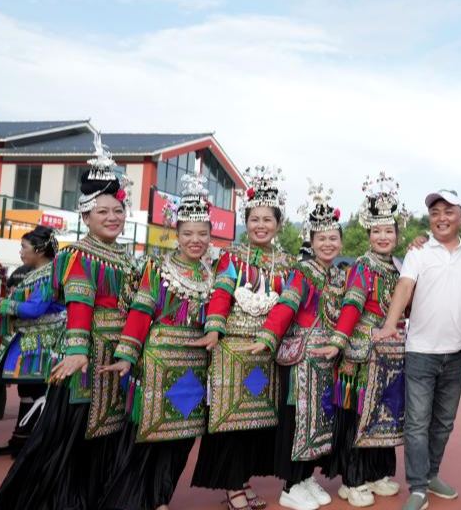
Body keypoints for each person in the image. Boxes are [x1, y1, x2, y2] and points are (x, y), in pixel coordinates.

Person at [0, 133, 138, 510]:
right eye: (102, 211)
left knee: (109, 436)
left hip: (117, 357)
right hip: (85, 357)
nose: (112, 217)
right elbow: (80, 300)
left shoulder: (125, 257)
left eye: (117, 210)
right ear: (85, 216)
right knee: (70, 440)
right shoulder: (78, 255)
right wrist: (76, 350)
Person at [97, 175, 216, 510]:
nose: (196, 240)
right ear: (175, 235)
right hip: (158, 366)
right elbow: (140, 313)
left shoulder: (212, 275)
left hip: (195, 369)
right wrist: (126, 356)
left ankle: (161, 498)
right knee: (149, 437)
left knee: (181, 441)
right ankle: (138, 500)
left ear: (210, 236)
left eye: (202, 234)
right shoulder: (158, 269)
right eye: (188, 234)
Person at [190, 166, 296, 510]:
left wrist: (268, 336)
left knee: (257, 422)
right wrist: (213, 328)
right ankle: (231, 485)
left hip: (265, 351)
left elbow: (288, 304)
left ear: (277, 224)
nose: (260, 225)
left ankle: (243, 479)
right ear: (245, 222)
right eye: (254, 219)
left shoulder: (287, 264)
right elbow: (221, 293)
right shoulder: (231, 258)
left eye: (267, 219)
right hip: (231, 347)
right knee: (230, 420)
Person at [245, 181, 346, 510]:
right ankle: (290, 485)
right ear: (311, 242)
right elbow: (286, 306)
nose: (328, 244)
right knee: (298, 419)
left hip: (324, 360)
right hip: (302, 359)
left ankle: (304, 477)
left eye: (333, 238)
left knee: (319, 419)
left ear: (341, 242)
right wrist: (266, 336)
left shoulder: (336, 277)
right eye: (321, 239)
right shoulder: (303, 272)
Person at [374, 189, 461, 510]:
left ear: (460, 215)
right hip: (420, 351)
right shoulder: (418, 252)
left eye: (448, 212)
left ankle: (431, 474)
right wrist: (391, 323)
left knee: (444, 421)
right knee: (417, 422)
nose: (441, 218)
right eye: (435, 213)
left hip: (458, 350)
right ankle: (417, 486)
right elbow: (405, 286)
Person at [311, 173, 407, 508]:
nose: (383, 236)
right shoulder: (363, 267)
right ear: (368, 234)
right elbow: (352, 306)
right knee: (358, 415)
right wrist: (340, 343)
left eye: (389, 230)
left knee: (386, 411)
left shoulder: (397, 269)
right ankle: (353, 479)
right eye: (377, 230)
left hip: (390, 353)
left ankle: (379, 472)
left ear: (397, 234)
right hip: (361, 351)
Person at [0, 226, 64, 458]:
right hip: (30, 341)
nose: (21, 251)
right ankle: (21, 439)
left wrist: (0, 304)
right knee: (28, 389)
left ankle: (35, 442)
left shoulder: (50, 275)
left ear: (40, 249)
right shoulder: (36, 274)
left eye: (24, 247)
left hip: (44, 343)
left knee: (37, 389)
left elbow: (35, 309)